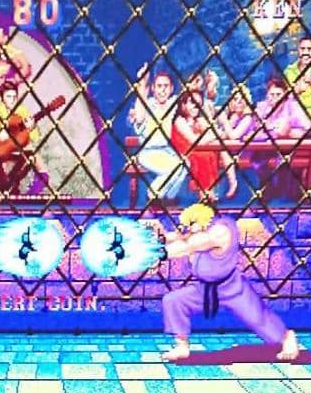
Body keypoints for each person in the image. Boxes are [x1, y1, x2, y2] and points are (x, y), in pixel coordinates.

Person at [159, 202, 299, 363]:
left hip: (232, 288)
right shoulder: (198, 231)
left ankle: (287, 337)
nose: (189, 228)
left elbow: (193, 244)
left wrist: (160, 253)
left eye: (192, 224)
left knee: (257, 318)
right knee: (174, 300)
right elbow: (182, 237)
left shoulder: (222, 230)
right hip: (205, 289)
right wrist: (161, 240)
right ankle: (181, 345)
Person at [0, 80, 48, 194]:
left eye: (14, 96)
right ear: (3, 97)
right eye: (8, 96)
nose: (12, 100)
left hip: (16, 148)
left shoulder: (22, 111)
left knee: (34, 160)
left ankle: (21, 191)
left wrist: (32, 128)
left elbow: (34, 137)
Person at [127, 66, 188, 201]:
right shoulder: (147, 105)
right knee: (173, 168)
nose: (163, 90)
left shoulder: (173, 104)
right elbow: (139, 118)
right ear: (153, 89)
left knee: (185, 165)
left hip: (167, 151)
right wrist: (142, 82)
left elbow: (188, 96)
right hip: (148, 152)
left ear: (171, 89)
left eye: (166, 86)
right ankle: (153, 193)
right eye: (159, 86)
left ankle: (169, 198)